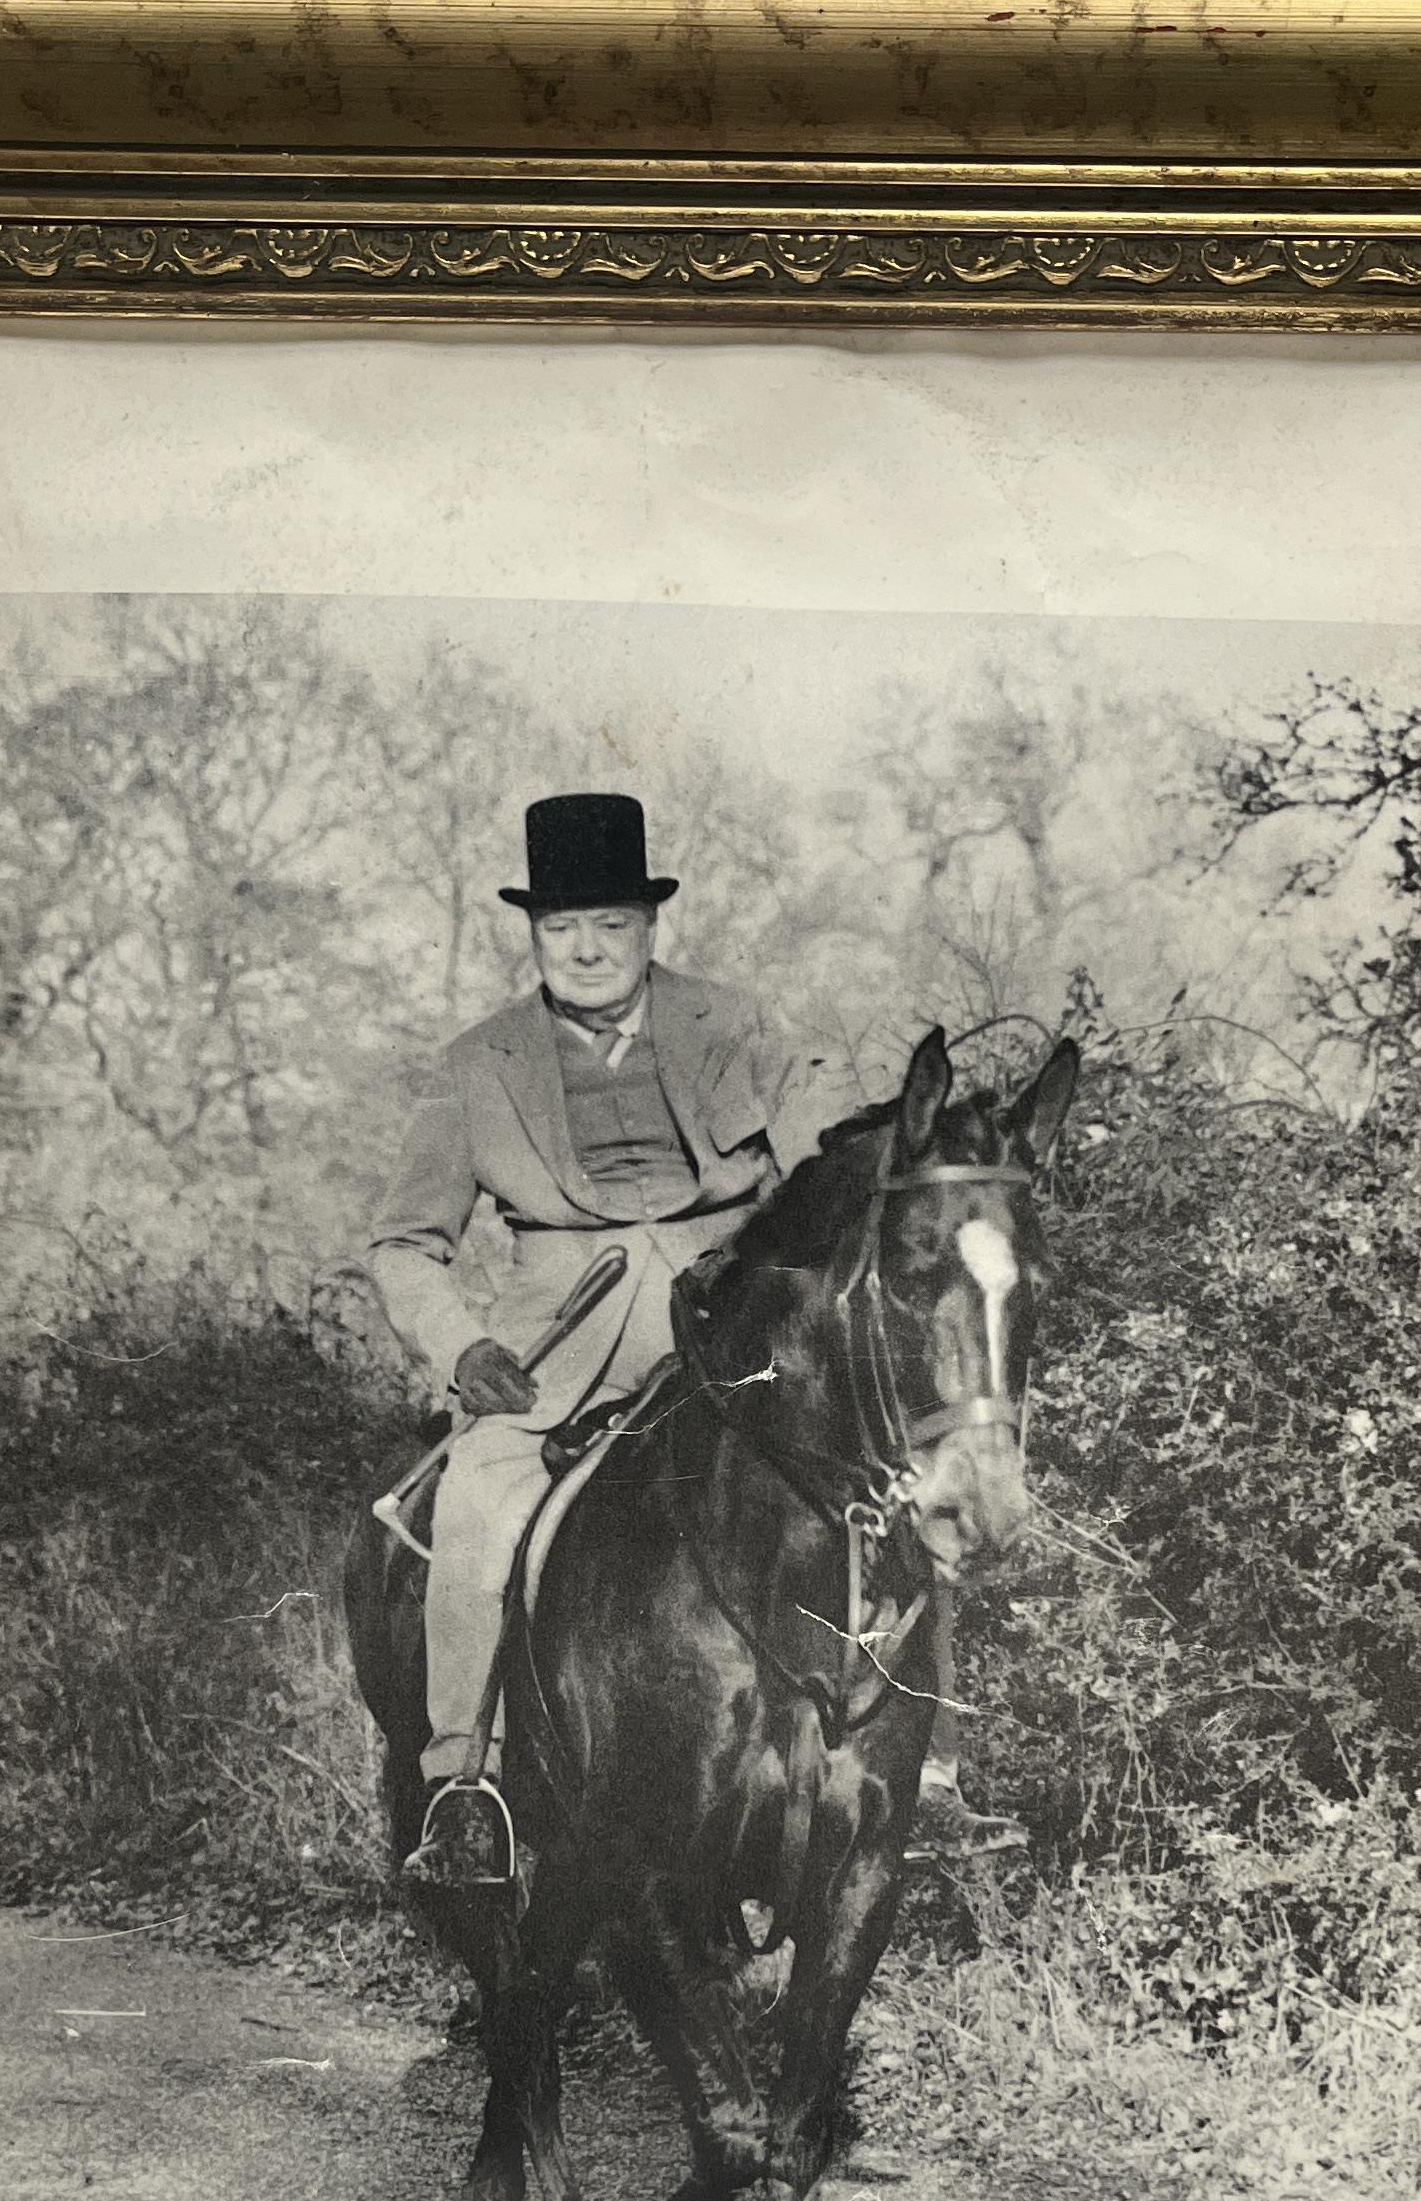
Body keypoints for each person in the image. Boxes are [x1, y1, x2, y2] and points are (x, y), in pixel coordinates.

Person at [369, 792, 1021, 1893]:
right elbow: (401, 1243)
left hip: (736, 1319)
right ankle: (464, 1785)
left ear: (649, 927)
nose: (586, 947)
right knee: (479, 1492)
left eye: (611, 925)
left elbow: (834, 1145)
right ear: (533, 934)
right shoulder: (476, 1065)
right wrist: (462, 1343)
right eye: (561, 927)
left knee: (892, 1471)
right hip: (555, 1336)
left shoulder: (737, 1025)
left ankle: (934, 1776)